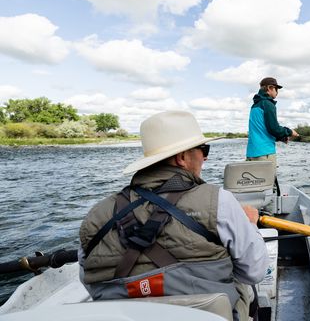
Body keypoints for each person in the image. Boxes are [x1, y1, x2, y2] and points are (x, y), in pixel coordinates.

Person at [78, 110, 269, 321]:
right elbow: (254, 272)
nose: (204, 158)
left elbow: (88, 280)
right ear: (182, 157)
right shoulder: (219, 201)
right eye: (204, 150)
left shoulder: (95, 215)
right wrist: (250, 224)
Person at [246, 77, 299, 167]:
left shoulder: (254, 106)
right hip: (265, 154)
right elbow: (274, 129)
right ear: (270, 88)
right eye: (276, 89)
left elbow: (262, 130)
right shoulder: (268, 104)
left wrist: (281, 138)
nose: (277, 92)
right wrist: (290, 132)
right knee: (268, 181)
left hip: (251, 154)